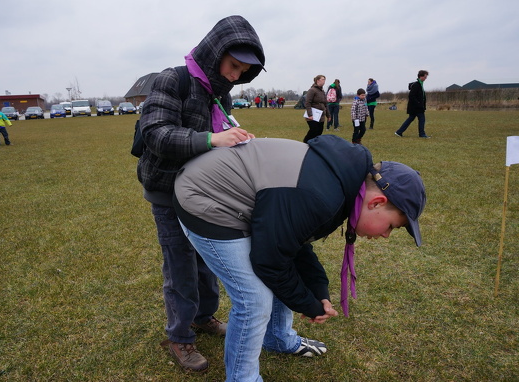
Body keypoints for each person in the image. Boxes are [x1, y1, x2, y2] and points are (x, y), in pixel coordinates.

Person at [173, 134, 426, 381]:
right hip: (203, 196)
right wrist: (308, 304)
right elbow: (270, 261)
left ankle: (278, 339)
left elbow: (291, 245)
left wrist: (318, 290)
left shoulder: (339, 184)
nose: (386, 235)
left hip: (225, 192)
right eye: (391, 226)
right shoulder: (321, 196)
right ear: (377, 202)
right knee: (254, 300)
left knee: (277, 272)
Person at [136, 15, 265, 373]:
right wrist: (212, 139)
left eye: (243, 71)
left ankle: (204, 317)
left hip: (206, 193)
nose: (236, 75)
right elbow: (156, 135)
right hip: (166, 192)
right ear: (214, 53)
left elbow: (220, 137)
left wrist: (235, 139)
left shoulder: (220, 93)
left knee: (208, 260)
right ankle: (180, 337)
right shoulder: (172, 79)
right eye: (233, 65)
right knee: (180, 267)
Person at [395, 70, 430, 138]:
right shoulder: (416, 85)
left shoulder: (420, 84)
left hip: (416, 107)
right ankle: (422, 134)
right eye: (425, 77)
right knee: (422, 119)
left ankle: (399, 132)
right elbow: (411, 96)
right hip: (416, 107)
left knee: (410, 119)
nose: (426, 78)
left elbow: (421, 96)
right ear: (420, 76)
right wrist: (419, 104)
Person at [303, 74, 330, 143]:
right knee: (313, 131)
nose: (324, 81)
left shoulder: (322, 91)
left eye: (325, 80)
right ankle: (305, 143)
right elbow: (308, 103)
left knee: (319, 132)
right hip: (313, 116)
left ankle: (314, 145)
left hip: (321, 116)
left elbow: (325, 104)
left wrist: (328, 115)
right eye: (323, 79)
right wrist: (310, 114)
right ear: (318, 81)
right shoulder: (312, 90)